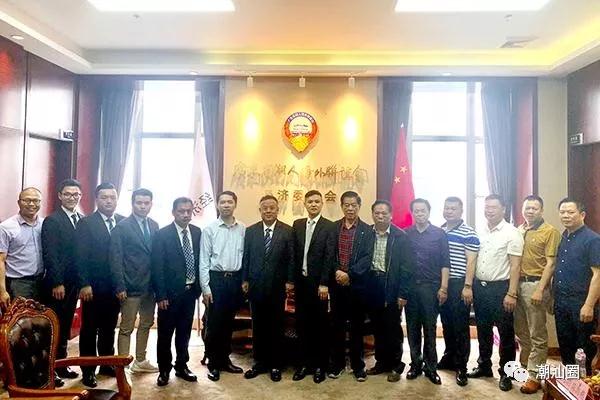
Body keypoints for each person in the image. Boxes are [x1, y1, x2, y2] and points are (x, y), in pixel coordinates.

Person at [467, 194, 523, 392]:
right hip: (480, 288)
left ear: (503, 209)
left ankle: (506, 373)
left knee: (506, 333)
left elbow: (515, 266)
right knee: (483, 330)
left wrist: (512, 293)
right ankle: (484, 365)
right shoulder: (479, 231)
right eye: (487, 207)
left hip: (501, 289)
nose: (489, 210)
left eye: (493, 207)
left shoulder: (512, 233)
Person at [76, 182, 124, 388]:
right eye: (104, 197)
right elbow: (80, 256)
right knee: (89, 329)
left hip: (115, 288)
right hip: (93, 287)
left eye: (112, 197)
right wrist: (84, 283)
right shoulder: (86, 223)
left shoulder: (122, 221)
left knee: (109, 328)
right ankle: (88, 371)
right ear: (97, 200)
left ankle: (106, 363)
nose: (109, 201)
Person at [242, 195, 294, 382]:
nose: (269, 211)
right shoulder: (251, 231)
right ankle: (259, 362)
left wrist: (290, 281)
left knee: (276, 326)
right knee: (258, 326)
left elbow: (291, 258)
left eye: (272, 207)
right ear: (260, 210)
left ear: (277, 209)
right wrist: (245, 279)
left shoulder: (287, 231)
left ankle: (275, 364)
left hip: (277, 286)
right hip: (256, 286)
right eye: (265, 208)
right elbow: (246, 257)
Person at [152, 197, 202, 387]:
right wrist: (161, 295)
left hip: (190, 292)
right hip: (169, 295)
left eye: (189, 211)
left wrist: (198, 289)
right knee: (165, 334)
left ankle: (182, 365)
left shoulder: (197, 232)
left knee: (184, 332)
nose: (185, 214)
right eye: (181, 211)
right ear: (173, 212)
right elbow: (157, 266)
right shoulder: (162, 234)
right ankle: (164, 369)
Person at [109, 188, 159, 373]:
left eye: (146, 203)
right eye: (139, 202)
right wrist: (119, 285)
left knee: (146, 323)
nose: (143, 206)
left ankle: (140, 360)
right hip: (130, 286)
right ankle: (122, 364)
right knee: (126, 327)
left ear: (151, 204)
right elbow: (115, 259)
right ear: (132, 203)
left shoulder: (154, 225)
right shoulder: (122, 227)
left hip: (150, 286)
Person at [514, 195, 560, 394]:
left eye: (534, 208)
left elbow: (551, 264)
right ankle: (525, 369)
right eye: (527, 208)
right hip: (516, 284)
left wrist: (541, 289)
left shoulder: (550, 232)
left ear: (541, 210)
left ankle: (535, 376)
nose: (530, 211)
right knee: (521, 332)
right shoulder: (519, 230)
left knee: (537, 334)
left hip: (535, 285)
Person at [364, 200, 413, 383]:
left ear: (391, 215)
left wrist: (402, 293)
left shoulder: (401, 236)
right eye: (377, 213)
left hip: (391, 284)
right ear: (372, 214)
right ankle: (381, 362)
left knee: (392, 327)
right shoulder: (367, 233)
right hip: (372, 284)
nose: (380, 216)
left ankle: (396, 364)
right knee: (377, 326)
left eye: (384, 213)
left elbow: (407, 267)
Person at [200, 191, 245, 382]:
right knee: (214, 324)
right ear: (217, 205)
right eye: (222, 202)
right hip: (216, 280)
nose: (226, 205)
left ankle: (225, 359)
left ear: (235, 204)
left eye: (229, 202)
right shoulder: (209, 229)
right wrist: (206, 288)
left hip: (235, 280)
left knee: (228, 323)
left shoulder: (243, 228)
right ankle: (213, 363)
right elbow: (204, 260)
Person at [42, 179, 84, 380]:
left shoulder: (81, 219)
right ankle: (50, 369)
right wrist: (57, 282)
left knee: (66, 324)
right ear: (60, 196)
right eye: (67, 194)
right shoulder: (52, 220)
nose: (71, 198)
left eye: (75, 194)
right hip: (58, 285)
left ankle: (62, 365)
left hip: (74, 283)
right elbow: (50, 254)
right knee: (55, 325)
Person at [291, 190, 335, 384]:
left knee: (320, 327)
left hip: (319, 286)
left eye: (317, 201)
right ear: (305, 204)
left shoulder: (329, 226)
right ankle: (303, 364)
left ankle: (320, 366)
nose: (314, 204)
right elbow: (293, 254)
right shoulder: (298, 224)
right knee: (302, 325)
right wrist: (291, 280)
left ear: (322, 204)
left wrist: (324, 283)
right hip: (301, 283)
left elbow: (329, 257)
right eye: (310, 202)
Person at [329, 191, 373, 382]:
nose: (350, 208)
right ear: (341, 206)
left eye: (353, 205)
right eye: (346, 205)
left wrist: (349, 274)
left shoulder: (367, 230)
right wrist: (337, 271)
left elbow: (367, 258)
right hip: (337, 285)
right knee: (336, 326)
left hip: (357, 287)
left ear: (359, 206)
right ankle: (337, 364)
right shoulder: (333, 228)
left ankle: (358, 366)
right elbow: (329, 254)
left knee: (357, 327)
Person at [405, 198, 450, 385]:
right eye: (416, 211)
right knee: (412, 328)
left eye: (422, 210)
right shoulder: (406, 234)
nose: (419, 214)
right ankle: (415, 364)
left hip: (431, 288)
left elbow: (445, 263)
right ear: (412, 213)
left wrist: (443, 288)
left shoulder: (439, 234)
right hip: (411, 289)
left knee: (430, 329)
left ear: (429, 212)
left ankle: (431, 367)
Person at [553, 198, 600, 375]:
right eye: (562, 212)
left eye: (570, 212)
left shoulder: (593, 240)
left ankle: (584, 385)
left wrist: (589, 305)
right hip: (561, 301)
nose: (566, 215)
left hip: (581, 302)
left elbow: (598, 275)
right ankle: (571, 383)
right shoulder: (564, 236)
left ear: (582, 215)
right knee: (566, 345)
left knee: (583, 348)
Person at [438, 196, 479, 387]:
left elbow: (471, 261)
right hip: (442, 283)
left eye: (453, 208)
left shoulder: (468, 232)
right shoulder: (440, 230)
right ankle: (449, 356)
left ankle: (461, 365)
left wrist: (468, 286)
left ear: (461, 211)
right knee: (446, 323)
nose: (449, 211)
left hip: (460, 283)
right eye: (446, 208)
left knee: (460, 326)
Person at [0, 187, 44, 306]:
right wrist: (2, 291)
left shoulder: (45, 224)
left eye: (36, 200)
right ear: (19, 202)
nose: (32, 204)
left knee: (41, 317)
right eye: (27, 200)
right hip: (18, 284)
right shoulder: (6, 227)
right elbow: (1, 260)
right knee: (21, 317)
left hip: (42, 282)